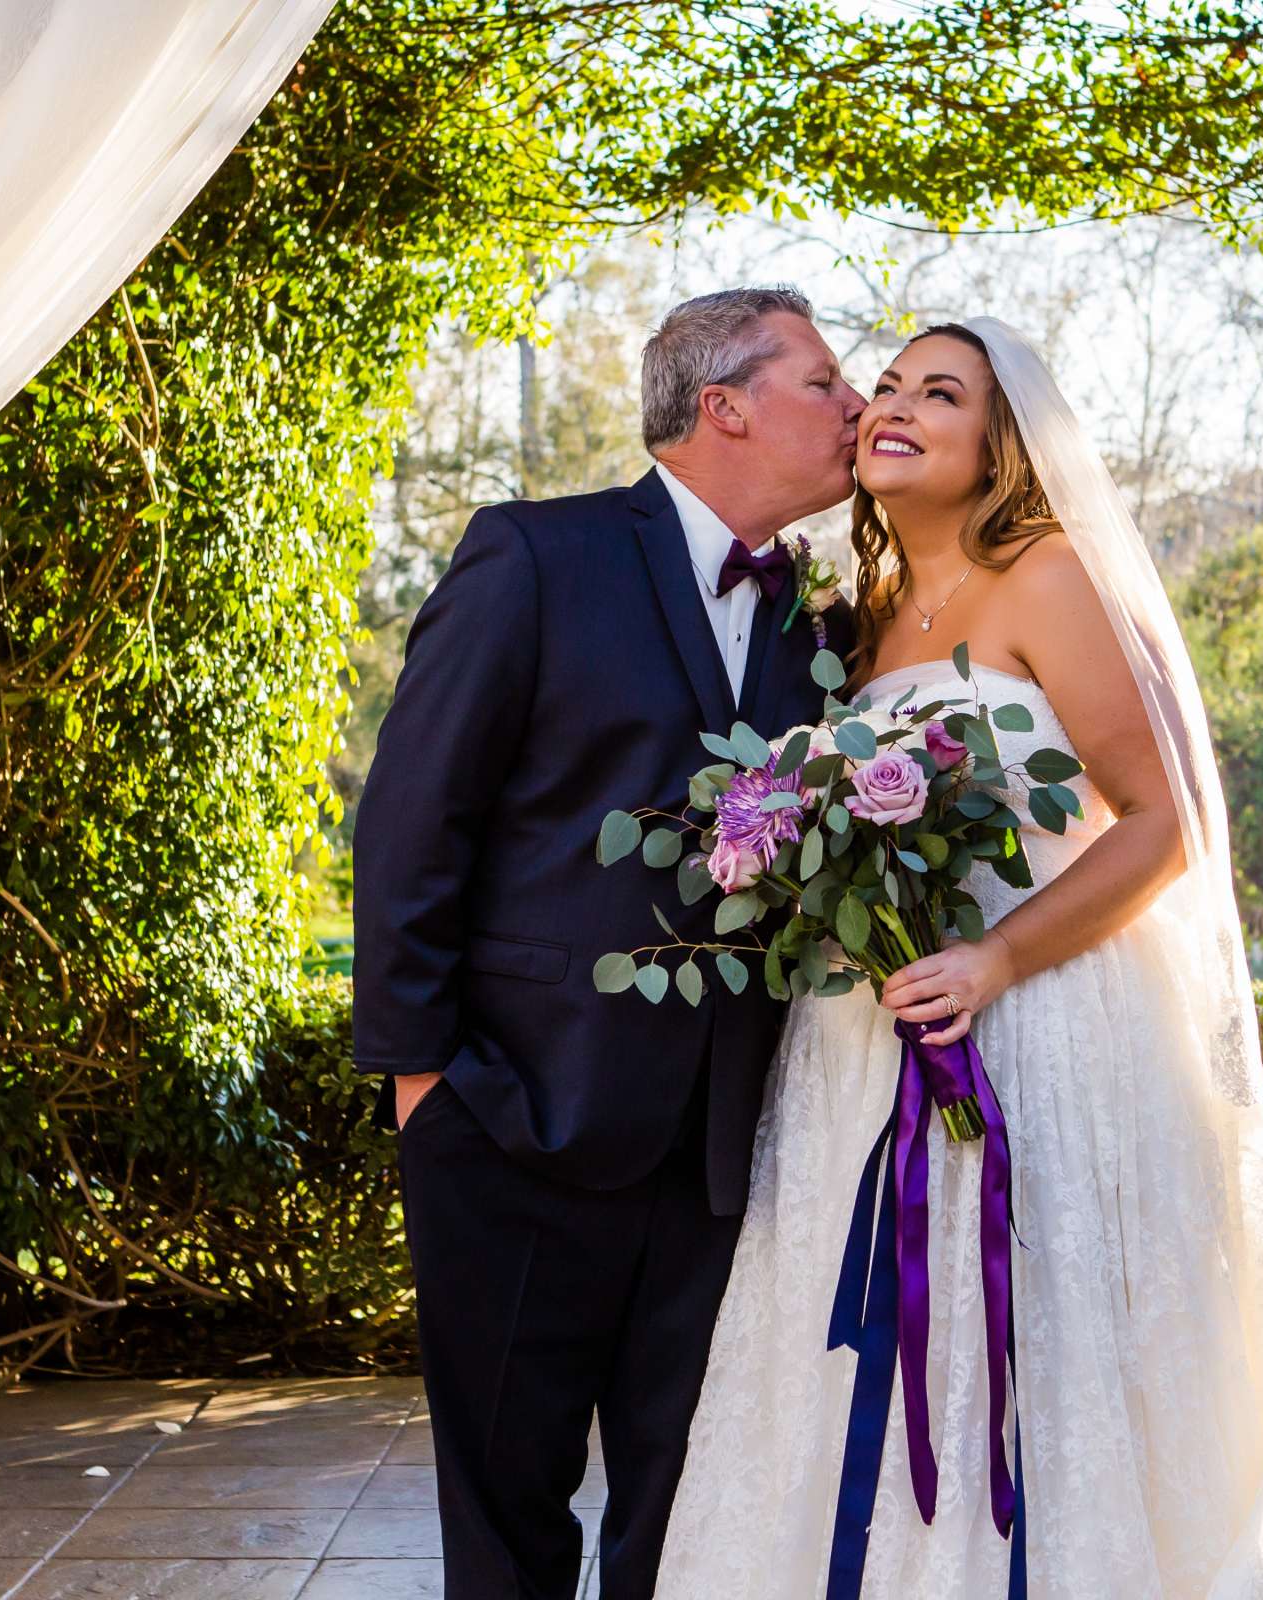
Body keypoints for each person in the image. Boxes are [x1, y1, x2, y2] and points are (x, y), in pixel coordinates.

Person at [655, 318, 1263, 1597]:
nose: (898, 403)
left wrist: (997, 963)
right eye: (890, 384)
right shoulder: (848, 626)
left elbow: (1168, 822)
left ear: (1002, 442)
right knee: (863, 1347)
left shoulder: (1044, 573)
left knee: (1051, 1350)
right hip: (868, 1043)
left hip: (1042, 1025)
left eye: (944, 392)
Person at [350, 286, 862, 1599]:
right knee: (508, 1523)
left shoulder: (833, 626)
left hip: (721, 1159)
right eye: (826, 381)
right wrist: (428, 1090)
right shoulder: (532, 557)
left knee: (683, 1523)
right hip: (509, 1125)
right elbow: (414, 821)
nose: (857, 408)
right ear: (724, 405)